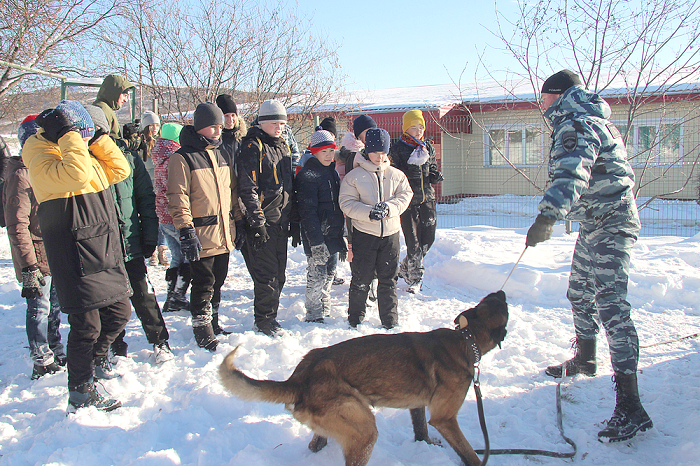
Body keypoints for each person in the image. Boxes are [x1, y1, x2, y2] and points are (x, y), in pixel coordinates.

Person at [526, 69, 652, 443]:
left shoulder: (576, 124)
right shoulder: (589, 118)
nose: (542, 103)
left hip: (612, 223)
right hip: (597, 222)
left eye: (544, 96)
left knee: (612, 305)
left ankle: (631, 406)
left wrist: (548, 215)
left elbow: (572, 174)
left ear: (557, 95)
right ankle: (586, 357)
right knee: (579, 291)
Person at [22, 100, 131, 412]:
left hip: (102, 249)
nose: (85, 141)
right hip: (75, 253)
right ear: (63, 134)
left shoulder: (82, 152)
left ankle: (96, 363)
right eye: (81, 135)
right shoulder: (42, 160)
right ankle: (81, 391)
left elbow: (119, 169)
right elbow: (79, 176)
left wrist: (97, 139)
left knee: (119, 312)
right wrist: (72, 138)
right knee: (86, 327)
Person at [85, 104, 174, 365]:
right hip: (99, 247)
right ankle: (115, 344)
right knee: (108, 301)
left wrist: (149, 236)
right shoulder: (80, 162)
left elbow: (146, 199)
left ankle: (160, 341)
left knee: (143, 294)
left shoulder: (128, 157)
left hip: (128, 241)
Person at [167, 102, 244, 350]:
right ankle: (202, 330)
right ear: (200, 127)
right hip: (201, 234)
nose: (217, 131)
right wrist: (186, 230)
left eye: (220, 126)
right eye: (212, 126)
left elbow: (231, 192)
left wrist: (239, 220)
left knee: (218, 281)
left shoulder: (221, 153)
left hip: (223, 233)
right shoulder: (182, 157)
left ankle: (214, 323)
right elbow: (177, 196)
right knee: (203, 283)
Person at [2, 115, 66, 379]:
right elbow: (18, 225)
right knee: (39, 306)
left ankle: (54, 346)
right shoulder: (21, 175)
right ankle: (41, 356)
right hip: (35, 254)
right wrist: (28, 265)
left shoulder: (44, 166)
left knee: (54, 305)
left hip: (52, 248)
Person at [339, 128, 412, 329]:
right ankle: (355, 319)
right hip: (365, 235)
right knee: (361, 278)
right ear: (367, 151)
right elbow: (346, 202)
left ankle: (390, 320)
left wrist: (388, 208)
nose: (380, 157)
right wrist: (369, 212)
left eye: (384, 152)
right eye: (375, 152)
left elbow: (405, 196)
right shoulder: (354, 176)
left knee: (388, 280)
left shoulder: (397, 175)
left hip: (390, 235)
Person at [236, 100, 294, 336]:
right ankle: (264, 321)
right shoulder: (253, 146)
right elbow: (247, 187)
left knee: (279, 275)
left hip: (281, 221)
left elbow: (290, 186)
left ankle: (269, 317)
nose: (279, 127)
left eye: (282, 122)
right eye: (274, 122)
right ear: (262, 122)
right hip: (262, 222)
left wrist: (295, 220)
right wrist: (257, 222)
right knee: (267, 275)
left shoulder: (283, 146)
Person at [294, 127, 347, 323]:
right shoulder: (308, 175)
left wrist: (342, 232)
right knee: (317, 275)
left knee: (330, 274)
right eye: (323, 151)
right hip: (317, 236)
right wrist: (315, 242)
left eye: (331, 151)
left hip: (332, 232)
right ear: (314, 152)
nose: (328, 155)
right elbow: (307, 213)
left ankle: (325, 306)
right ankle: (314, 313)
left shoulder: (331, 172)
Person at [389, 109, 443, 293]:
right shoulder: (397, 149)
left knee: (428, 239)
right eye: (414, 127)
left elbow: (433, 167)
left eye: (421, 127)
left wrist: (434, 175)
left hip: (427, 198)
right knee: (413, 241)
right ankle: (415, 279)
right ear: (406, 129)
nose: (419, 130)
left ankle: (404, 268)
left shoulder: (427, 147)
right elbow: (394, 175)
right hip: (408, 201)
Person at [337, 115, 379, 298]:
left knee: (375, 246)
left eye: (372, 130)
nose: (370, 134)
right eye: (365, 132)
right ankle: (362, 284)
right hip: (354, 208)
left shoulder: (377, 150)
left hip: (374, 207)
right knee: (357, 247)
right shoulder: (348, 154)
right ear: (358, 134)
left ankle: (372, 283)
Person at [152, 123, 191, 313]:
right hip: (175, 215)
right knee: (188, 258)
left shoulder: (159, 156)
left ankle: (171, 296)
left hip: (163, 216)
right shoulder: (175, 158)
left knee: (176, 257)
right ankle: (178, 296)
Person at [138, 111, 169, 267]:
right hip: (147, 186)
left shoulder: (162, 142)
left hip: (159, 186)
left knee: (162, 219)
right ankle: (152, 252)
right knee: (151, 219)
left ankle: (162, 250)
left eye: (157, 124)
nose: (155, 128)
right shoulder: (140, 143)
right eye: (152, 125)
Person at [92, 74, 135, 142]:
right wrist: (128, 143)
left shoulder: (105, 108)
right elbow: (102, 143)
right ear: (115, 93)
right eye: (124, 95)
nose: (125, 100)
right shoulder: (102, 110)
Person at [215, 94, 247, 169]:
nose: (230, 119)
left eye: (233, 115)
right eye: (226, 116)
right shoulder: (215, 140)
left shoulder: (243, 138)